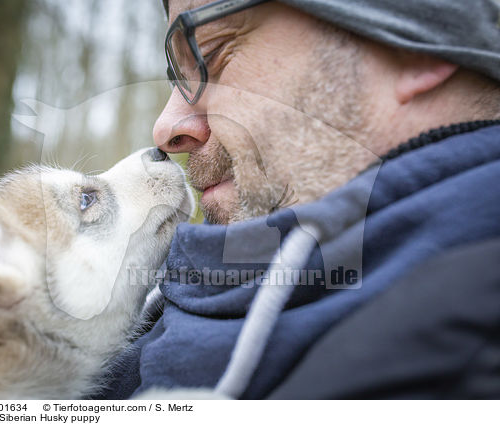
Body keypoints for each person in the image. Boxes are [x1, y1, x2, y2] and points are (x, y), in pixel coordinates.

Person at [95, 0, 500, 399]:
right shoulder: (172, 294)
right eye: (178, 79)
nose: (165, 128)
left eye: (212, 54)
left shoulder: (457, 362)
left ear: (415, 39)